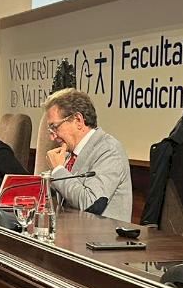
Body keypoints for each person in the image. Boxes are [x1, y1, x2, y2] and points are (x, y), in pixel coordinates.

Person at [43, 88, 133, 221]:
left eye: (55, 127)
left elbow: (90, 203)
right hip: (71, 231)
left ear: (78, 120)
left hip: (101, 233)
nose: (52, 137)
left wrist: (58, 171)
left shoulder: (109, 150)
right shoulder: (68, 155)